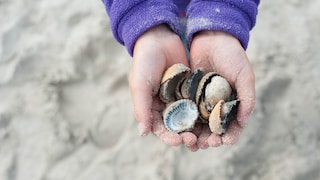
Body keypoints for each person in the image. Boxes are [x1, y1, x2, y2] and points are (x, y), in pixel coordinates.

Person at [102, 0, 259, 151]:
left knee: (196, 54)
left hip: (212, 20)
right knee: (176, 58)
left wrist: (220, 17)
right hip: (158, 18)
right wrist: (144, 18)